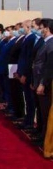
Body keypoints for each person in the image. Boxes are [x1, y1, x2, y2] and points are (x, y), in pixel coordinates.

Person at [33, 18, 53, 158]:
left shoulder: (51, 44)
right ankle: (43, 137)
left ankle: (47, 142)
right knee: (42, 112)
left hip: (46, 83)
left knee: (47, 114)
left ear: (46, 28)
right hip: (40, 80)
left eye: (41, 27)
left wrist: (42, 83)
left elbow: (48, 67)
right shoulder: (46, 43)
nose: (40, 30)